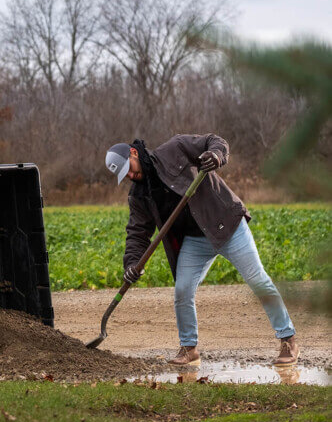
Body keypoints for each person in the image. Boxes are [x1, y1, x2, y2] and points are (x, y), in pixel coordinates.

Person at [104, 134, 299, 366]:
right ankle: (189, 349)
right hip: (195, 241)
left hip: (226, 224)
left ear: (133, 153)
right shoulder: (139, 196)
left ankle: (288, 340)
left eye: (129, 168)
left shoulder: (174, 149)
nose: (130, 175)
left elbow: (216, 141)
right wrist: (131, 263)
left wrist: (216, 156)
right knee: (183, 290)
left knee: (257, 279)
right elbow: (137, 233)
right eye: (124, 174)